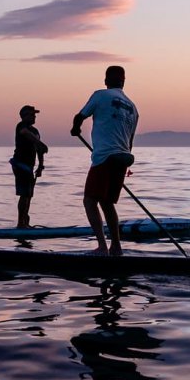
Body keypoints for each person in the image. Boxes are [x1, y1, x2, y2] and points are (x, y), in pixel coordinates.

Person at [70, 65, 138, 256]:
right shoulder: (133, 107)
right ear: (123, 81)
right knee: (107, 203)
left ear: (106, 80)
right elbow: (130, 141)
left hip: (105, 156)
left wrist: (75, 129)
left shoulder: (100, 95)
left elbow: (79, 116)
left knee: (90, 201)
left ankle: (102, 247)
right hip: (124, 157)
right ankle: (116, 247)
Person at [11, 104, 48, 229]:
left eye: (34, 115)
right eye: (31, 115)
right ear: (24, 116)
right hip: (20, 164)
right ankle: (21, 223)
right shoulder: (21, 126)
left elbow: (39, 150)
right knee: (24, 194)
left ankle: (25, 220)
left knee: (29, 194)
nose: (34, 117)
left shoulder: (35, 131)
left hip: (30, 167)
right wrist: (40, 143)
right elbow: (26, 134)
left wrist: (41, 166)